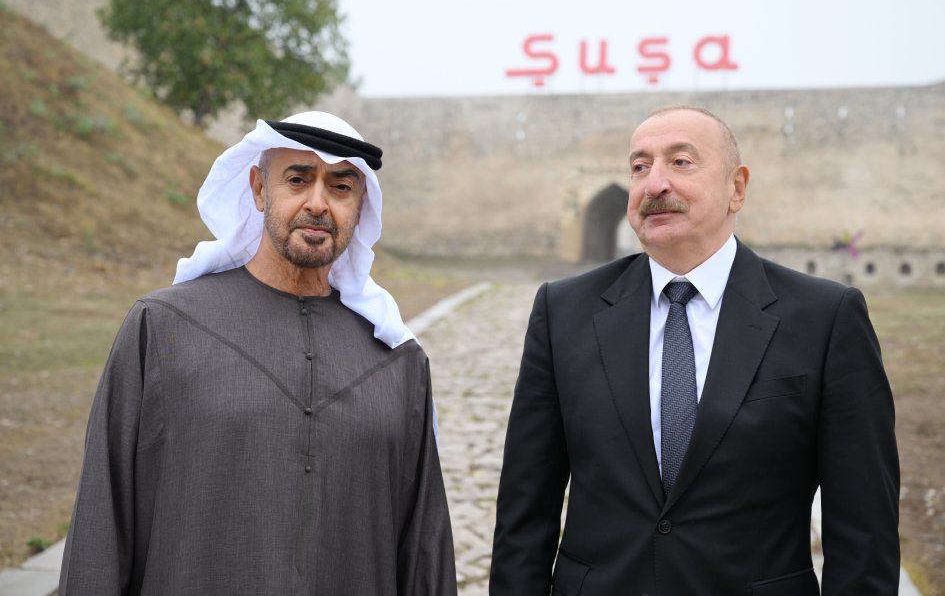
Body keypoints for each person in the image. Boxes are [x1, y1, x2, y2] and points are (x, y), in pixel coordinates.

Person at [490, 105, 899, 595]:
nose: (654, 184)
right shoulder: (563, 312)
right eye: (639, 166)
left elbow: (864, 530)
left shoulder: (824, 318)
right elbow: (524, 510)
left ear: (736, 188)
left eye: (680, 162)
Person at [59, 112, 457, 595]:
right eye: (298, 180)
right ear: (260, 189)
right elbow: (102, 520)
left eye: (340, 187)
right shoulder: (163, 328)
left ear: (360, 205)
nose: (318, 203)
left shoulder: (398, 363)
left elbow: (424, 552)